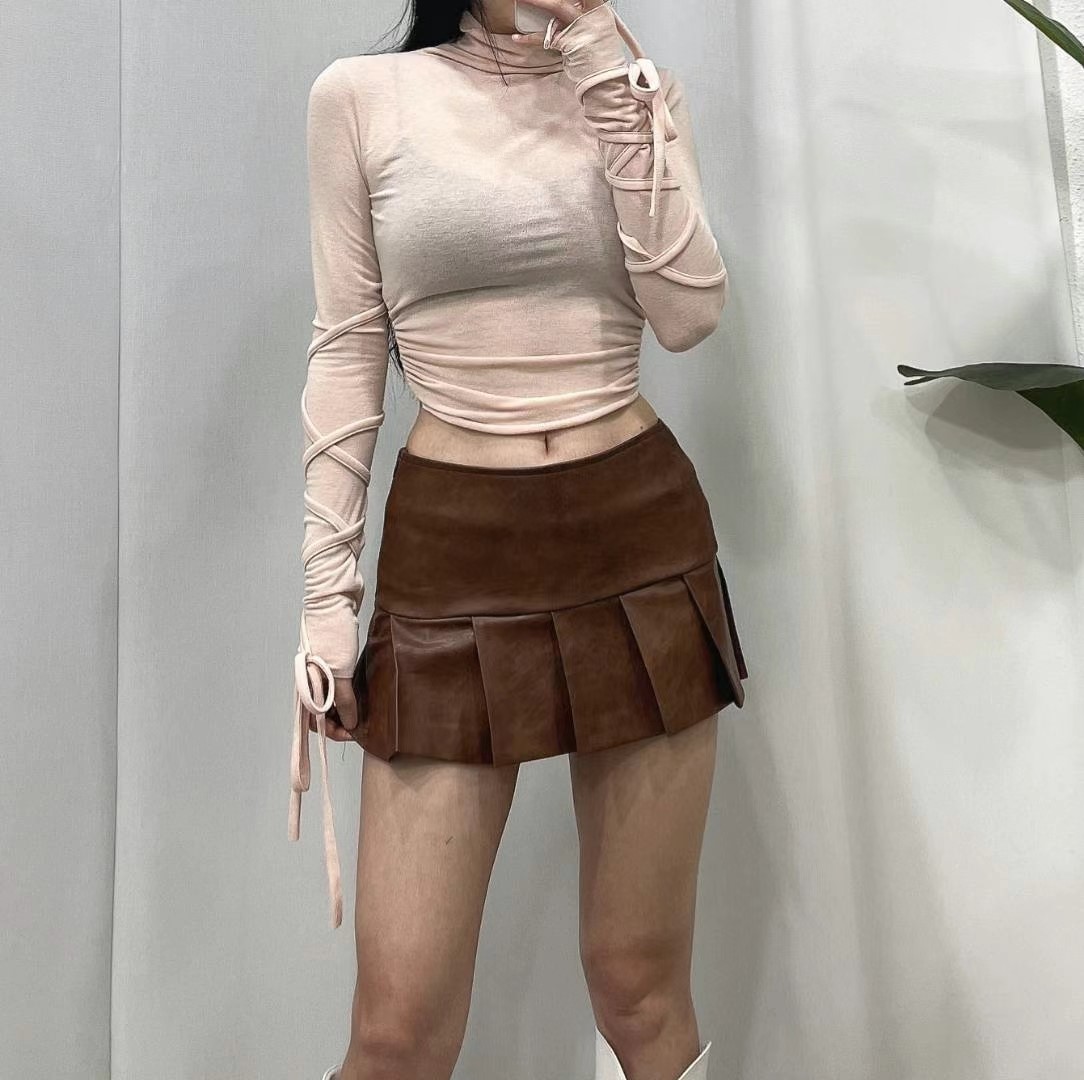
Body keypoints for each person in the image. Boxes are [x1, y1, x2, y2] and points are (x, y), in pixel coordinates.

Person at [288, 2, 750, 1078]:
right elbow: (347, 348)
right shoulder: (361, 99)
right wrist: (324, 602)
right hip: (456, 554)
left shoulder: (631, 91)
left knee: (640, 991)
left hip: (637, 540)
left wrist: (602, 69)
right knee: (397, 1033)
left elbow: (688, 315)